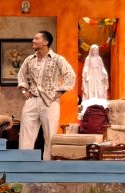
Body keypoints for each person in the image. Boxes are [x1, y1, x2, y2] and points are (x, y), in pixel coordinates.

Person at [18, 30, 76, 160]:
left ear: (46, 42)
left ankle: (47, 167)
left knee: (50, 135)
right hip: (32, 100)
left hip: (50, 102)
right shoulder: (29, 59)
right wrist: (24, 90)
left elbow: (70, 75)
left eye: (36, 38)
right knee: (25, 133)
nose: (33, 41)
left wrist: (58, 92)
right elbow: (21, 75)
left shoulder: (58, 59)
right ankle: (24, 164)